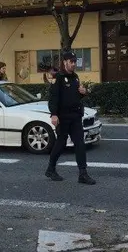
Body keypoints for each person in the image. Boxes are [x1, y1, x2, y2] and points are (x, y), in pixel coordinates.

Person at [45, 51, 95, 185]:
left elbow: (75, 96)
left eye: (74, 62)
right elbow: (53, 97)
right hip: (63, 117)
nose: (73, 64)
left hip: (75, 116)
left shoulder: (75, 77)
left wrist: (83, 93)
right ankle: (51, 168)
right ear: (65, 62)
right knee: (61, 143)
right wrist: (54, 114)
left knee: (80, 144)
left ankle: (83, 174)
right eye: (71, 62)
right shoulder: (58, 78)